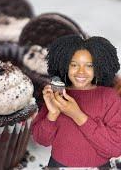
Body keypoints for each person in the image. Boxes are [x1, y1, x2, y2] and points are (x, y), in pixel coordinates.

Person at [31, 35, 121, 168]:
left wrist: (77, 115)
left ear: (98, 66)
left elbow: (115, 148)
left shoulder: (109, 97)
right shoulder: (58, 95)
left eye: (89, 65)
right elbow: (41, 140)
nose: (81, 72)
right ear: (64, 65)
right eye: (74, 64)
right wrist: (52, 114)